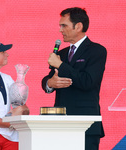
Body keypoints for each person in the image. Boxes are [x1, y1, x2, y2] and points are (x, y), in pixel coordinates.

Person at [42, 7, 106, 150]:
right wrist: (49, 83)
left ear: (78, 26)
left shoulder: (97, 50)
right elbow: (48, 78)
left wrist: (60, 65)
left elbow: (88, 81)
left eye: (64, 25)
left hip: (86, 124)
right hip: (60, 123)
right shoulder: (62, 52)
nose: (60, 30)